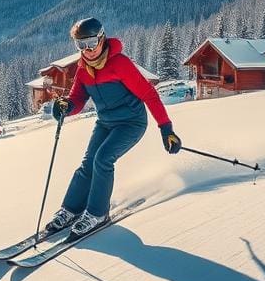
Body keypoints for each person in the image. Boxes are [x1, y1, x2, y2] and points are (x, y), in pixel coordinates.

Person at [44, 17, 181, 239]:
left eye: (90, 43)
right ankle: (70, 210)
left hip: (131, 123)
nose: (86, 50)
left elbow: (149, 94)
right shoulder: (83, 69)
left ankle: (98, 213)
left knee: (103, 159)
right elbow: (77, 99)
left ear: (101, 39)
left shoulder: (120, 64)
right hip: (106, 122)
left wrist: (166, 129)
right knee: (88, 164)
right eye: (80, 45)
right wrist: (66, 107)